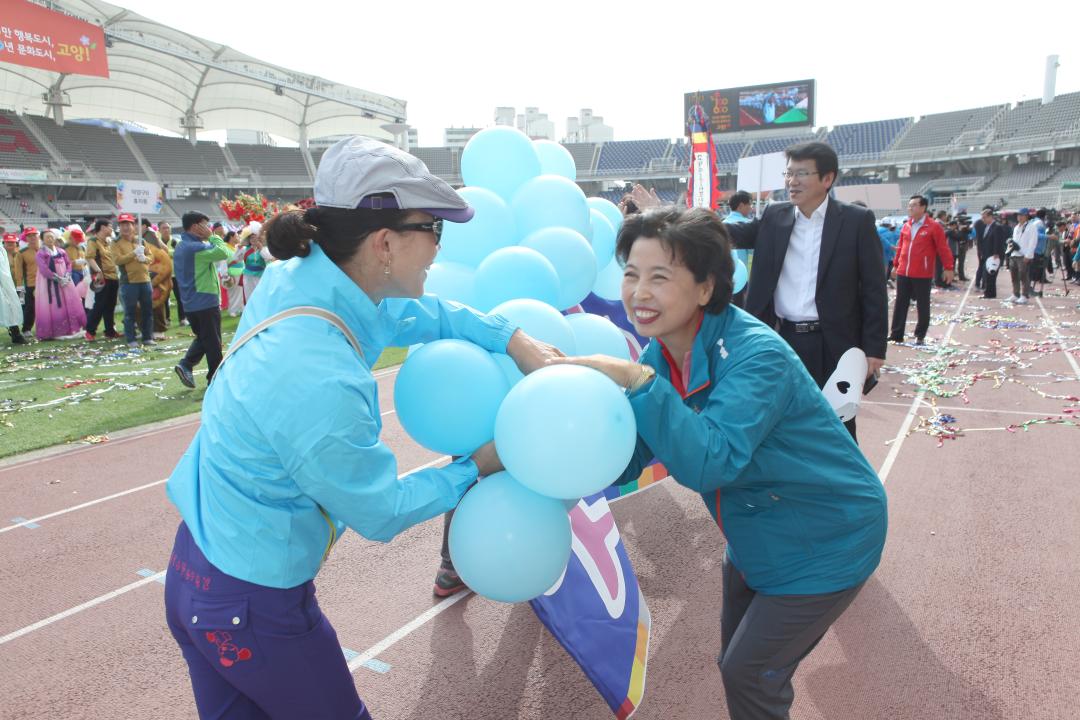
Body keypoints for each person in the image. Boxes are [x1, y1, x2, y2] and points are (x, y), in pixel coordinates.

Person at [163, 136, 558, 719]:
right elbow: (380, 510)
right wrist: (478, 465)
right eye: (434, 232)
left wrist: (510, 336)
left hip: (199, 568)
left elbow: (417, 312)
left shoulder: (304, 283)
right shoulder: (319, 375)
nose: (437, 251)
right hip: (252, 603)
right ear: (384, 243)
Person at [555, 206, 887, 720]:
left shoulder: (757, 356)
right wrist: (562, 463)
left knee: (750, 672)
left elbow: (713, 461)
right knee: (741, 667)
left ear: (706, 288)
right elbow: (635, 451)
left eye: (659, 278)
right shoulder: (659, 354)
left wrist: (641, 386)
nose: (639, 293)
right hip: (758, 531)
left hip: (829, 536)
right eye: (631, 274)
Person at [721, 141, 887, 441]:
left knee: (837, 428)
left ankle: (843, 487)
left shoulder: (855, 221)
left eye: (801, 173)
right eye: (788, 173)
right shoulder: (774, 217)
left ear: (827, 179)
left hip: (833, 343)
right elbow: (733, 233)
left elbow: (874, 288)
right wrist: (670, 215)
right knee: (780, 422)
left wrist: (874, 349)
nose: (791, 181)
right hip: (781, 339)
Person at [172, 213, 232, 388]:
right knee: (213, 342)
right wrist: (213, 237)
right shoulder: (194, 248)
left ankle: (186, 365)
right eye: (206, 225)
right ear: (195, 226)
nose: (209, 229)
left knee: (205, 338)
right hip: (204, 301)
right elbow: (224, 252)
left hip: (192, 303)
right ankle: (215, 378)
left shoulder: (183, 246)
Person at [889, 195, 953, 344]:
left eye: (914, 205)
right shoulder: (906, 226)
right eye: (909, 205)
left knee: (922, 304)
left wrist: (948, 268)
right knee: (900, 303)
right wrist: (896, 264)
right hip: (904, 271)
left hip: (922, 273)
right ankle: (896, 333)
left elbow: (943, 248)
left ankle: (920, 335)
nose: (910, 208)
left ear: (923, 207)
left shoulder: (933, 227)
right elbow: (901, 248)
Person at [34, 229, 87, 340]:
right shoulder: (41, 253)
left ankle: (72, 328)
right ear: (42, 239)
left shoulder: (61, 251)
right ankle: (56, 331)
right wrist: (56, 278)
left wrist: (67, 275)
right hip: (49, 283)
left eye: (52, 237)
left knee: (69, 302)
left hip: (65, 281)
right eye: (47, 237)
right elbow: (43, 269)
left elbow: (68, 264)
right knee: (53, 304)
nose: (50, 239)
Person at [113, 213, 155, 348]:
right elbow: (117, 260)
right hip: (128, 282)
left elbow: (151, 257)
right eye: (123, 224)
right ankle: (131, 339)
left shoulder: (141, 240)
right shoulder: (116, 243)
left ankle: (148, 337)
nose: (126, 227)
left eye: (128, 224)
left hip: (145, 280)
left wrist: (145, 259)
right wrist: (134, 254)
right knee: (129, 312)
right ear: (119, 227)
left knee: (147, 310)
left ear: (133, 226)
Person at [84, 219, 120, 341]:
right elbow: (89, 258)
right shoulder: (93, 241)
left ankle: (110, 330)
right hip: (102, 277)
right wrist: (98, 271)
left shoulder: (109, 242)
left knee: (110, 305)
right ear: (102, 227)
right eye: (110, 226)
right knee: (99, 304)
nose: (112, 229)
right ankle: (90, 331)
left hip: (113, 276)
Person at [1006, 208, 1038, 304]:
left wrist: (1028, 255)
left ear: (1027, 216)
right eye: (1018, 215)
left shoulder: (1031, 227)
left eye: (1022, 215)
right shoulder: (1016, 227)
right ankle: (1015, 294)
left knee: (1024, 276)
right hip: (1014, 254)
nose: (1019, 217)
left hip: (1024, 255)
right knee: (1014, 276)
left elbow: (1033, 242)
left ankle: (1025, 295)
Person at [146, 231, 173, 340]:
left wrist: (154, 281)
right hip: (144, 280)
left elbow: (165, 267)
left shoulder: (158, 249)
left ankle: (159, 330)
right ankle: (147, 329)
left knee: (157, 306)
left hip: (157, 282)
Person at [0, 232, 26, 344]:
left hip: (7, 285)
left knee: (9, 306)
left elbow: (4, 272)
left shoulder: (2, 251)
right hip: (7, 284)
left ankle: (15, 333)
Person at [13, 227, 40, 336]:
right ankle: (26, 329)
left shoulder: (44, 249)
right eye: (29, 236)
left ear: (38, 236)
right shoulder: (22, 253)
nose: (32, 237)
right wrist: (20, 288)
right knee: (30, 308)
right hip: (31, 284)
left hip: (46, 283)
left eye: (34, 235)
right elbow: (18, 272)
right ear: (26, 238)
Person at [975, 208, 1007, 299]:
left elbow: (998, 241)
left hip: (993, 255)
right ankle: (989, 292)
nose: (983, 219)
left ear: (990, 217)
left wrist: (996, 253)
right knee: (986, 274)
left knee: (990, 275)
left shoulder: (997, 227)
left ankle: (989, 293)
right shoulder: (987, 227)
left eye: (984, 217)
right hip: (986, 254)